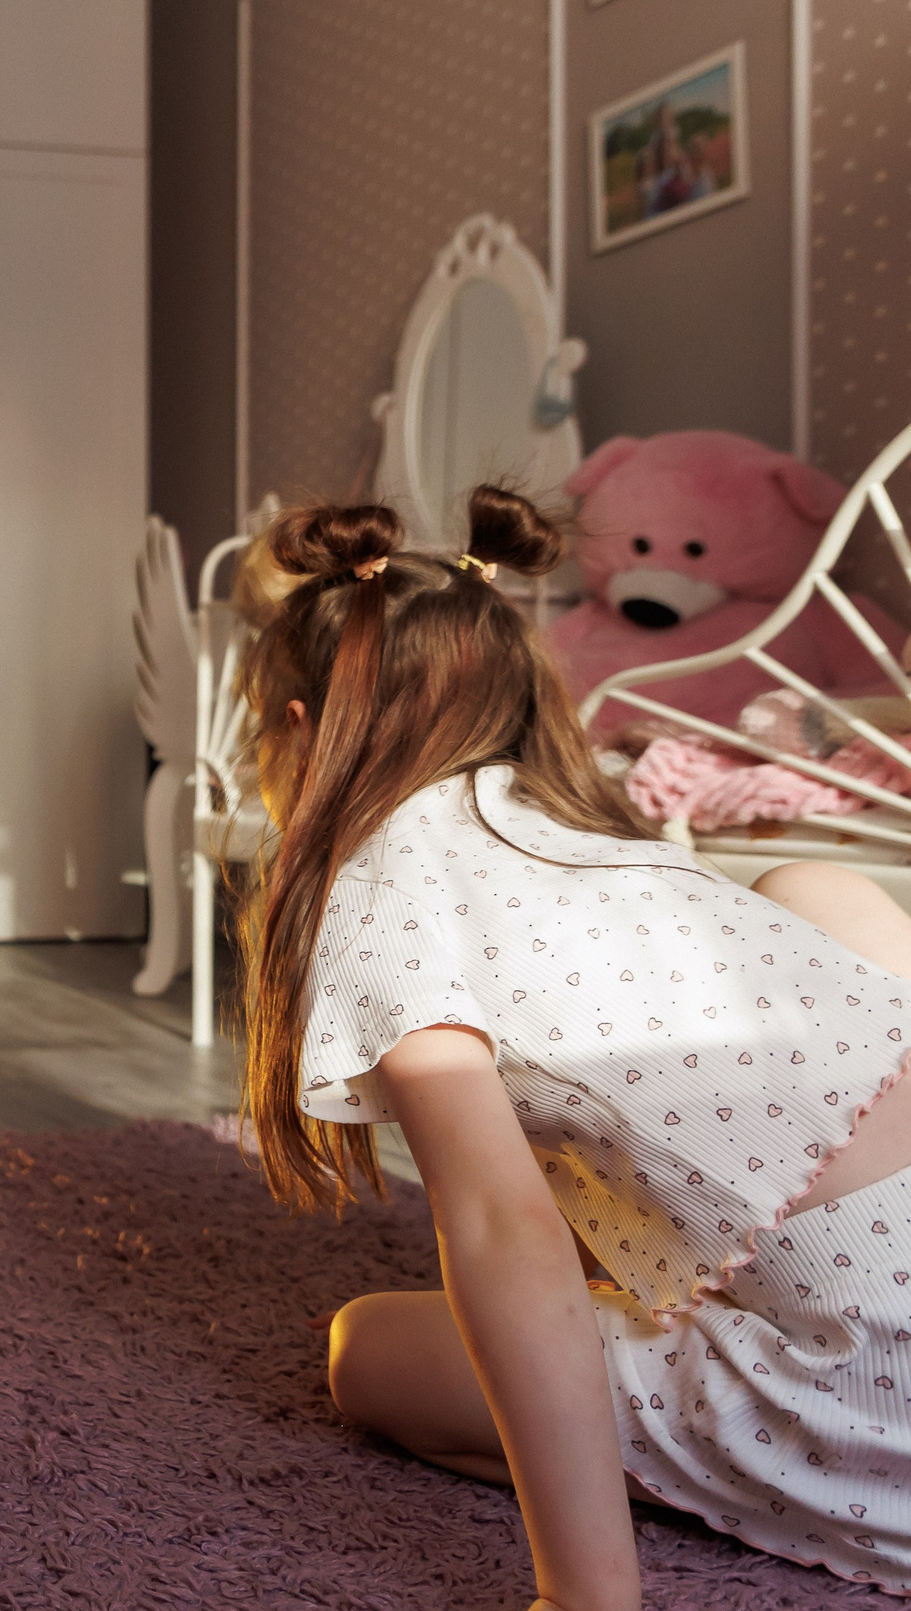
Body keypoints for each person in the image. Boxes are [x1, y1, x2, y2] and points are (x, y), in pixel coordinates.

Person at [241, 488, 911, 1605]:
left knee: (366, 1350)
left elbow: (504, 1225)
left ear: (303, 731)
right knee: (815, 887)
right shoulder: (586, 834)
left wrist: (580, 1591)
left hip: (875, 1364)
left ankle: (751, 1455)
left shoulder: (380, 890)